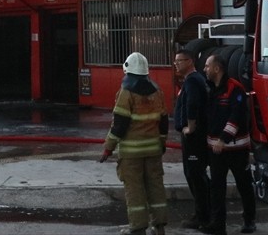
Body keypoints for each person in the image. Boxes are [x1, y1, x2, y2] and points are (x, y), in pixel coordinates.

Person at [99, 51, 169, 235]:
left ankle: (138, 228)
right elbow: (163, 121)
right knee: (156, 186)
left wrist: (108, 148)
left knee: (135, 189)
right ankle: (159, 226)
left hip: (131, 154)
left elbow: (119, 125)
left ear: (127, 70)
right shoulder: (158, 91)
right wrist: (162, 143)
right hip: (153, 150)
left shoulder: (126, 92)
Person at [205, 52, 257, 234]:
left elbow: (237, 116)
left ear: (217, 68)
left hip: (236, 148)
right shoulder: (210, 88)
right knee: (216, 187)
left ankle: (249, 219)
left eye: (207, 66)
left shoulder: (235, 89)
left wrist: (223, 139)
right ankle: (218, 224)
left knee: (244, 184)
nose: (205, 69)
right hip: (216, 149)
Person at [173, 46, 211, 232]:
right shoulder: (192, 80)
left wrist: (190, 127)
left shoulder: (193, 81)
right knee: (195, 175)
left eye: (179, 61)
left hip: (194, 138)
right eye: (175, 61)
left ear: (189, 62)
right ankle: (204, 213)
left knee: (195, 175)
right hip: (194, 136)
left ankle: (203, 216)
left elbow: (192, 104)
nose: (176, 64)